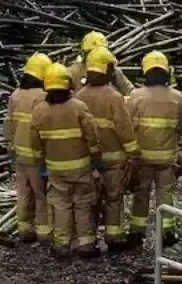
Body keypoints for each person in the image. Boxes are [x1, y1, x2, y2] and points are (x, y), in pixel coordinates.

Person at [30, 62, 101, 257]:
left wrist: (41, 165)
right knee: (83, 203)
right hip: (81, 168)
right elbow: (92, 137)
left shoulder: (39, 111)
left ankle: (61, 245)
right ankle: (86, 245)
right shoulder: (79, 107)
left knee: (60, 205)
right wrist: (96, 158)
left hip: (55, 169)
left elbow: (35, 144)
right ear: (67, 84)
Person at [74, 47, 140, 250]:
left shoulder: (79, 96)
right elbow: (124, 128)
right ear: (107, 69)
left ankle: (87, 240)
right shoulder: (114, 97)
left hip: (88, 161)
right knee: (113, 199)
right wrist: (133, 153)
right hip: (113, 161)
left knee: (89, 201)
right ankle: (114, 237)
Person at [126, 50, 182, 247]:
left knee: (141, 195)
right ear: (166, 73)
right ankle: (168, 233)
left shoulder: (134, 97)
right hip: (166, 159)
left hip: (141, 158)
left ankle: (137, 233)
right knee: (166, 195)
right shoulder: (177, 98)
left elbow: (126, 125)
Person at [6, 52, 53, 243]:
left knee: (23, 193)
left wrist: (11, 150)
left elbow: (8, 125)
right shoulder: (43, 97)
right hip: (36, 156)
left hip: (19, 154)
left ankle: (24, 228)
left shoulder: (15, 95)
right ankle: (43, 232)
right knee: (41, 194)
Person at [67, 31, 133, 95]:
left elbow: (130, 91)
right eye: (91, 52)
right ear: (84, 53)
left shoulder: (113, 71)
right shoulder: (72, 72)